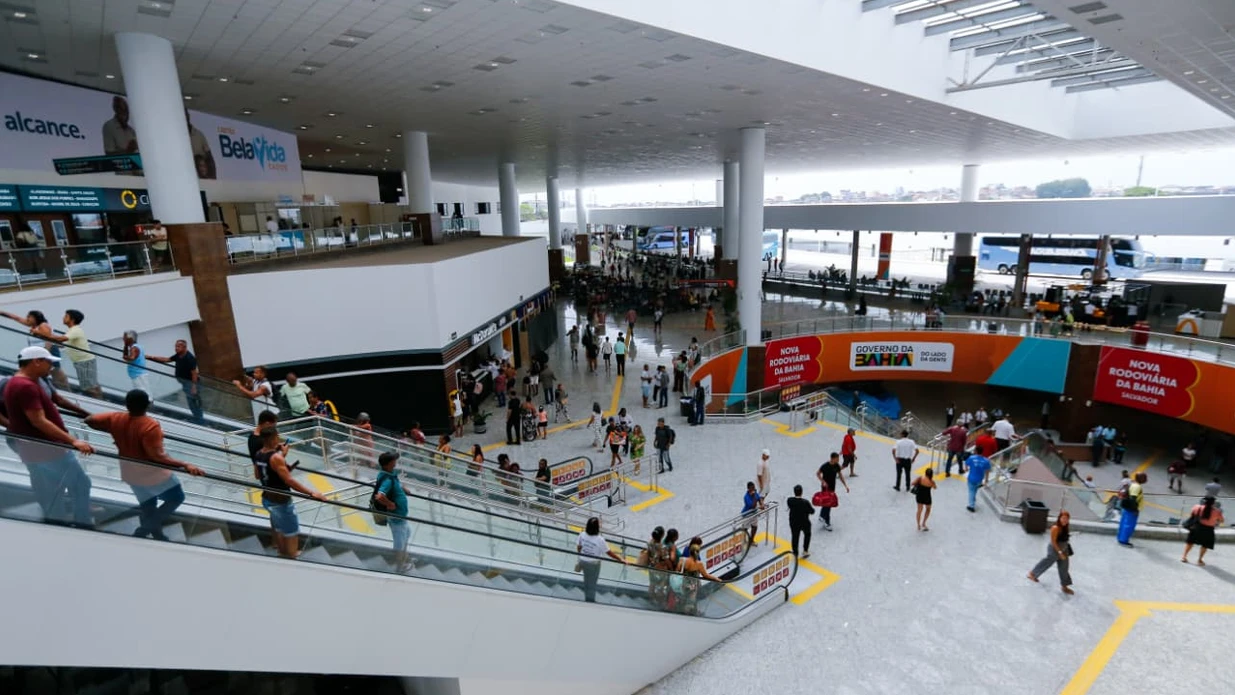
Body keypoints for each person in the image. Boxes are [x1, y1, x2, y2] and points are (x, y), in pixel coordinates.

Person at [85, 389, 205, 540]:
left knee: (148, 504)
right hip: (153, 474)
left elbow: (89, 419)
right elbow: (157, 457)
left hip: (130, 472)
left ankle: (156, 533)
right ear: (147, 406)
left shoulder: (116, 418)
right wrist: (185, 464)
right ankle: (144, 530)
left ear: (127, 404)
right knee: (176, 497)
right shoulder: (150, 426)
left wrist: (109, 429)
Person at [3, 347, 95, 527]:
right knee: (80, 484)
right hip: (49, 450)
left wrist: (83, 413)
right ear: (36, 361)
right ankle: (79, 523)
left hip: (37, 450)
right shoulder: (26, 387)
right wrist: (73, 441)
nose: (52, 367)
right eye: (49, 362)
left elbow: (56, 401)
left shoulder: (22, 381)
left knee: (54, 489)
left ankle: (59, 523)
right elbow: (39, 421)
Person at [253, 426, 327, 559]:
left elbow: (258, 475)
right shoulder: (276, 458)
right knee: (291, 532)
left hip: (267, 498)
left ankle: (282, 553)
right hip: (281, 500)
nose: (279, 439)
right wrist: (312, 493)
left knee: (280, 528)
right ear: (273, 438)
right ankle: (292, 556)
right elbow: (289, 481)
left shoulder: (258, 454)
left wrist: (282, 457)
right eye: (277, 436)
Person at [44, 310, 101, 398]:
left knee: (89, 387)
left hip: (85, 361)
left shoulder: (75, 330)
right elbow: (62, 343)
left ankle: (98, 402)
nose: (63, 318)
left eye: (66, 316)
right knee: (90, 385)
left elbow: (61, 339)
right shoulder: (71, 331)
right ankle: (98, 399)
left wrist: (45, 334)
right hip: (81, 361)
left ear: (72, 319)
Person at [373, 451, 413, 572]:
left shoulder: (390, 475)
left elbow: (395, 486)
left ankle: (405, 558)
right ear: (389, 463)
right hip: (396, 519)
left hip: (401, 517)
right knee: (399, 544)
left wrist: (403, 489)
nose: (396, 462)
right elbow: (379, 496)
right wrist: (390, 504)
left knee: (407, 535)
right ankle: (400, 567)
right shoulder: (387, 479)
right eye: (394, 460)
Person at [148, 339, 203, 424]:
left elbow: (194, 373)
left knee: (193, 402)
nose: (176, 348)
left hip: (191, 384)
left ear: (184, 347)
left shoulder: (190, 358)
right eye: (176, 346)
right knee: (191, 402)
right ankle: (197, 418)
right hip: (185, 383)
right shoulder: (178, 355)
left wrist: (194, 387)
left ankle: (199, 421)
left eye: (178, 346)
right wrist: (152, 357)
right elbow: (167, 359)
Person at [577, 516, 626, 603]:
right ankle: (590, 600)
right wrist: (620, 559)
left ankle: (587, 596)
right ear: (597, 527)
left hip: (583, 561)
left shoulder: (582, 534)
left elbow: (579, 547)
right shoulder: (600, 540)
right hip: (593, 564)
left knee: (586, 579)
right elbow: (609, 552)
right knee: (592, 582)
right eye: (599, 524)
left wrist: (581, 556)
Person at [1027, 510, 1074, 595]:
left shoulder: (1066, 527)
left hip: (1064, 548)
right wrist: (1059, 552)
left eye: (1067, 519)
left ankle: (1065, 586)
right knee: (1048, 561)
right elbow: (1053, 542)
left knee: (1064, 567)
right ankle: (1033, 573)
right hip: (1054, 549)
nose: (1065, 520)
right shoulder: (1055, 528)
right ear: (1059, 518)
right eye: (1063, 518)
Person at [673, 540, 721, 616]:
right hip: (693, 586)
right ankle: (691, 614)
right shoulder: (699, 564)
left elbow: (677, 570)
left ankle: (681, 612)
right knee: (691, 602)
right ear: (697, 552)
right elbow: (706, 575)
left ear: (690, 551)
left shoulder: (682, 560)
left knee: (683, 598)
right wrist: (716, 579)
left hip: (684, 584)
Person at [1181, 496, 1224, 565]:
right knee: (1205, 545)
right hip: (1208, 530)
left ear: (1204, 501)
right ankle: (1199, 560)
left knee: (1190, 542)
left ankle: (1184, 557)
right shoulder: (1217, 512)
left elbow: (1192, 515)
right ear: (1213, 503)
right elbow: (1221, 520)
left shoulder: (1196, 507)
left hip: (1196, 527)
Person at [815, 452, 849, 531]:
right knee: (828, 504)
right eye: (837, 459)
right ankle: (827, 522)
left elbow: (840, 475)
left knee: (827, 503)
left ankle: (822, 516)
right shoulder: (825, 466)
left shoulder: (837, 466)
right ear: (832, 458)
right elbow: (818, 473)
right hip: (825, 488)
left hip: (832, 488)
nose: (838, 460)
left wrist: (845, 485)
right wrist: (822, 481)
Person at [642, 526, 670, 607]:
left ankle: (652, 599)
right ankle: (661, 603)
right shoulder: (662, 547)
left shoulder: (650, 543)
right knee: (661, 587)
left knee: (652, 584)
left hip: (652, 567)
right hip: (660, 569)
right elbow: (666, 559)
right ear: (662, 535)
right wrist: (671, 568)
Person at [1117, 472, 1146, 547]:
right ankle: (1124, 541)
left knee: (1123, 523)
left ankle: (1120, 538)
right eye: (1145, 477)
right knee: (1129, 525)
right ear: (1141, 478)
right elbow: (1133, 499)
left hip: (1127, 508)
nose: (1146, 479)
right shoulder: (1137, 487)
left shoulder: (1132, 484)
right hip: (1131, 509)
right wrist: (1135, 510)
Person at [741, 481, 766, 549]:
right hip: (747, 515)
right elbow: (753, 505)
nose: (754, 490)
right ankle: (744, 540)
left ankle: (751, 540)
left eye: (754, 488)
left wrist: (761, 504)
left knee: (754, 527)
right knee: (745, 529)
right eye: (752, 488)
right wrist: (754, 496)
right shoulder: (746, 497)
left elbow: (759, 498)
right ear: (748, 489)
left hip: (754, 514)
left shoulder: (755, 493)